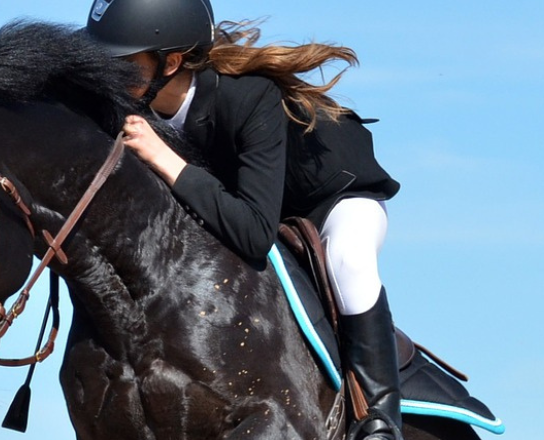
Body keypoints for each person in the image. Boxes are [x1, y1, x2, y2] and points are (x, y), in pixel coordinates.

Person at [85, 1, 416, 439]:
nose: (107, 75)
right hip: (247, 202)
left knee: (350, 262)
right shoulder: (138, 108)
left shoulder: (247, 96)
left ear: (172, 62)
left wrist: (164, 158)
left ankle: (380, 419)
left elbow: (255, 234)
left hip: (331, 201)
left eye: (122, 63)